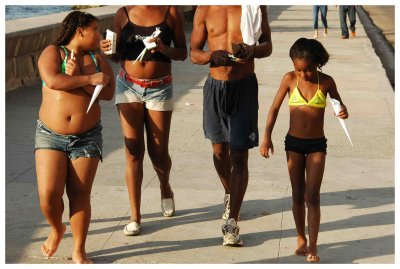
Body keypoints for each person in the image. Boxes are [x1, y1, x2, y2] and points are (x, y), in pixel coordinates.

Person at [100, 5, 187, 236]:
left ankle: (165, 186)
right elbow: (117, 55)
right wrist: (107, 51)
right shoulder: (123, 13)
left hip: (160, 87)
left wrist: (162, 48)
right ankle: (135, 216)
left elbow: (182, 53)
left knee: (158, 152)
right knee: (133, 151)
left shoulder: (170, 12)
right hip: (128, 86)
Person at [260, 38, 349, 262]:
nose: (303, 74)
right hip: (294, 145)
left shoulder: (327, 82)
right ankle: (301, 238)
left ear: (317, 63)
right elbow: (274, 108)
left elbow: (339, 104)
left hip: (317, 145)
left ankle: (313, 246)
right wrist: (266, 137)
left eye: (307, 69)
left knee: (313, 196)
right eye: (298, 69)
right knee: (297, 194)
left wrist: (343, 111)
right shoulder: (290, 79)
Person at [36, 11, 115, 263]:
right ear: (80, 30)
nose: (99, 34)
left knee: (80, 194)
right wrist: (88, 78)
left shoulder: (97, 58)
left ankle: (79, 248)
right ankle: (57, 228)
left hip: (87, 136)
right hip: (50, 135)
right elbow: (53, 80)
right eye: (95, 29)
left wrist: (79, 78)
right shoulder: (53, 52)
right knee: (49, 193)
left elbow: (108, 93)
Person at [190, 5, 272, 246]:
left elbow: (267, 46)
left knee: (239, 154)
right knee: (219, 151)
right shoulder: (204, 8)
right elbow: (194, 52)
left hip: (244, 86)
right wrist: (210, 56)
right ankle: (230, 193)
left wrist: (251, 50)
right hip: (215, 86)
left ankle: (232, 222)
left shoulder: (255, 7)